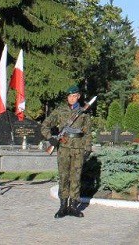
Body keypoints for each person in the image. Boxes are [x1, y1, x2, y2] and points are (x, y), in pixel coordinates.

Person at [41, 85, 92, 219]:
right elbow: (45, 125)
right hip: (63, 148)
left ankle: (73, 206)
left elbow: (87, 133)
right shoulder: (59, 111)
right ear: (67, 97)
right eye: (70, 96)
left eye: (74, 96)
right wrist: (51, 138)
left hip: (78, 149)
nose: (72, 98)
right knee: (63, 177)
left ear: (78, 96)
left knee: (76, 177)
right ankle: (63, 206)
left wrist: (87, 148)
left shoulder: (84, 113)